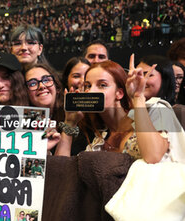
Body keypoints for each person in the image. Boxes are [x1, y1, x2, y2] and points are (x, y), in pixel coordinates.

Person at [56, 57, 185, 164]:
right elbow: (62, 173)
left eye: (102, 85)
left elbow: (153, 157)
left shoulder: (155, 110)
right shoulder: (98, 143)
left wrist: (138, 97)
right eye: (88, 86)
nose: (91, 91)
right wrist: (70, 123)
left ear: (119, 93)